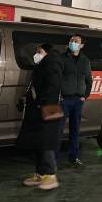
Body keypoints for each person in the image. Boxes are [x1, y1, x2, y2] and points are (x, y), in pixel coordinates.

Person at [16, 44, 63, 190]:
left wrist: (42, 103)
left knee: (46, 142)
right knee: (38, 141)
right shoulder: (42, 65)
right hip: (39, 108)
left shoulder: (52, 64)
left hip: (48, 108)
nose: (36, 54)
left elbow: (53, 88)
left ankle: (50, 175)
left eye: (39, 51)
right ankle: (41, 174)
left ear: (47, 52)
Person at [59, 34, 92, 168]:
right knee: (58, 130)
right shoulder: (62, 58)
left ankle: (74, 157)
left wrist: (85, 95)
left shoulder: (85, 61)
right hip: (64, 100)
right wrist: (59, 95)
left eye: (76, 41)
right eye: (71, 40)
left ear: (81, 45)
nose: (73, 42)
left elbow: (89, 81)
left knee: (75, 131)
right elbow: (56, 78)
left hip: (78, 101)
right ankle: (53, 160)